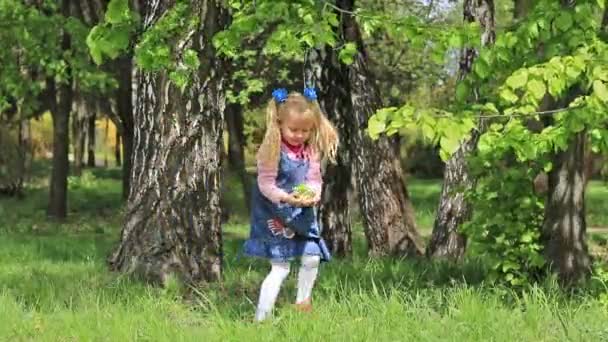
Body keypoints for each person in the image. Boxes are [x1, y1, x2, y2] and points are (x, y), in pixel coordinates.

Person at [242, 87, 339, 322]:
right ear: (279, 123)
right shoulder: (272, 149)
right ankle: (261, 319)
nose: (299, 135)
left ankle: (302, 303)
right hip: (274, 211)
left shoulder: (310, 150)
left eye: (306, 130)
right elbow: (265, 184)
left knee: (312, 257)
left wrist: (314, 195)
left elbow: (314, 179)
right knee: (281, 268)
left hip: (300, 212)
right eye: (294, 130)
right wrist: (285, 197)